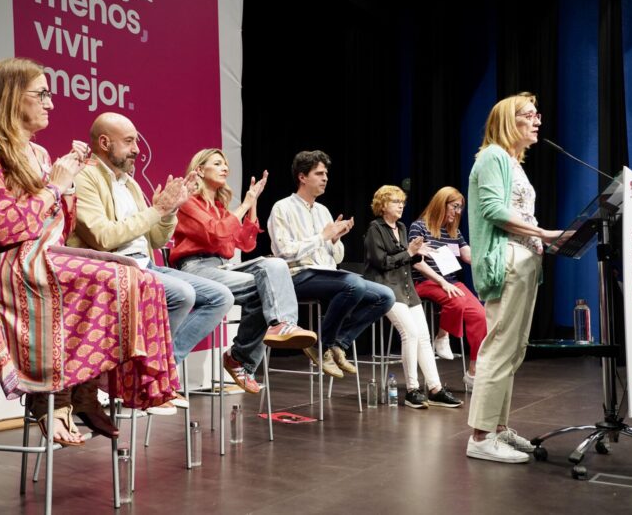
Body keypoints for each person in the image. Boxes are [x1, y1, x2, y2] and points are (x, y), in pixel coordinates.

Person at [0, 58, 178, 446]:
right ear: (9, 96)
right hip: (4, 263)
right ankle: (49, 398)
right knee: (114, 277)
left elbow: (58, 227)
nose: (51, 104)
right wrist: (54, 188)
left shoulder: (39, 154)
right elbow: (4, 229)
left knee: (139, 278)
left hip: (43, 255)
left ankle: (85, 393)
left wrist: (67, 186)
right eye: (41, 94)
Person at [68, 113, 234, 413]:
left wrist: (170, 211)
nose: (137, 149)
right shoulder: (84, 177)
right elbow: (103, 237)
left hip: (146, 264)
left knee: (220, 296)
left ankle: (159, 371)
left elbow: (155, 239)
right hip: (115, 267)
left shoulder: (129, 184)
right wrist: (157, 208)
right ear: (104, 143)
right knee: (181, 294)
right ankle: (148, 380)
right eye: (129, 141)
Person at [465, 92, 562, 463]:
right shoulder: (492, 156)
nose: (538, 120)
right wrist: (543, 234)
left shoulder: (512, 162)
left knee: (514, 349)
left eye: (538, 114)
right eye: (530, 114)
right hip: (506, 260)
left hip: (524, 260)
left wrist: (540, 240)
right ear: (508, 119)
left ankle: (498, 429)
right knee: (500, 346)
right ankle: (479, 437)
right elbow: (492, 210)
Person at [171, 148, 316, 394]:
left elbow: (246, 243)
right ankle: (242, 357)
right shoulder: (188, 202)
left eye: (225, 164)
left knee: (275, 265)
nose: (225, 167)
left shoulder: (219, 207)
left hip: (221, 268)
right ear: (199, 170)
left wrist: (253, 205)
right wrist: (245, 203)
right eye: (217, 163)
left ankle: (276, 329)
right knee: (266, 287)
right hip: (195, 270)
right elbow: (216, 232)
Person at [268, 150, 395, 378]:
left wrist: (335, 239)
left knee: (385, 296)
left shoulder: (323, 211)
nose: (325, 178)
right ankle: (323, 345)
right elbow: (283, 252)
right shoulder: (282, 208)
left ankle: (337, 343)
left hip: (326, 275)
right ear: (302, 177)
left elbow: (335, 258)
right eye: (319, 173)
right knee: (353, 284)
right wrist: (322, 237)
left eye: (326, 173)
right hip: (296, 276)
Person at [363, 186, 463, 408]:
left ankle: (435, 389)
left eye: (402, 201)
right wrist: (409, 252)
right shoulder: (375, 229)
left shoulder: (401, 227)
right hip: (385, 289)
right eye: (395, 201)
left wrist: (418, 254)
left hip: (406, 287)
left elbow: (407, 259)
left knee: (424, 337)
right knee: (410, 333)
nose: (401, 205)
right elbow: (381, 262)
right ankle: (412, 390)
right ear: (382, 205)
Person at [408, 186, 487, 389]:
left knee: (480, 315)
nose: (458, 211)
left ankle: (473, 373)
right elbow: (416, 262)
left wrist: (490, 254)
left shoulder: (454, 232)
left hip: (450, 282)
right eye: (455, 206)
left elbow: (469, 255)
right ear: (441, 204)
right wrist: (441, 282)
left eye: (460, 208)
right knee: (456, 299)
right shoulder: (419, 227)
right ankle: (442, 337)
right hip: (424, 282)